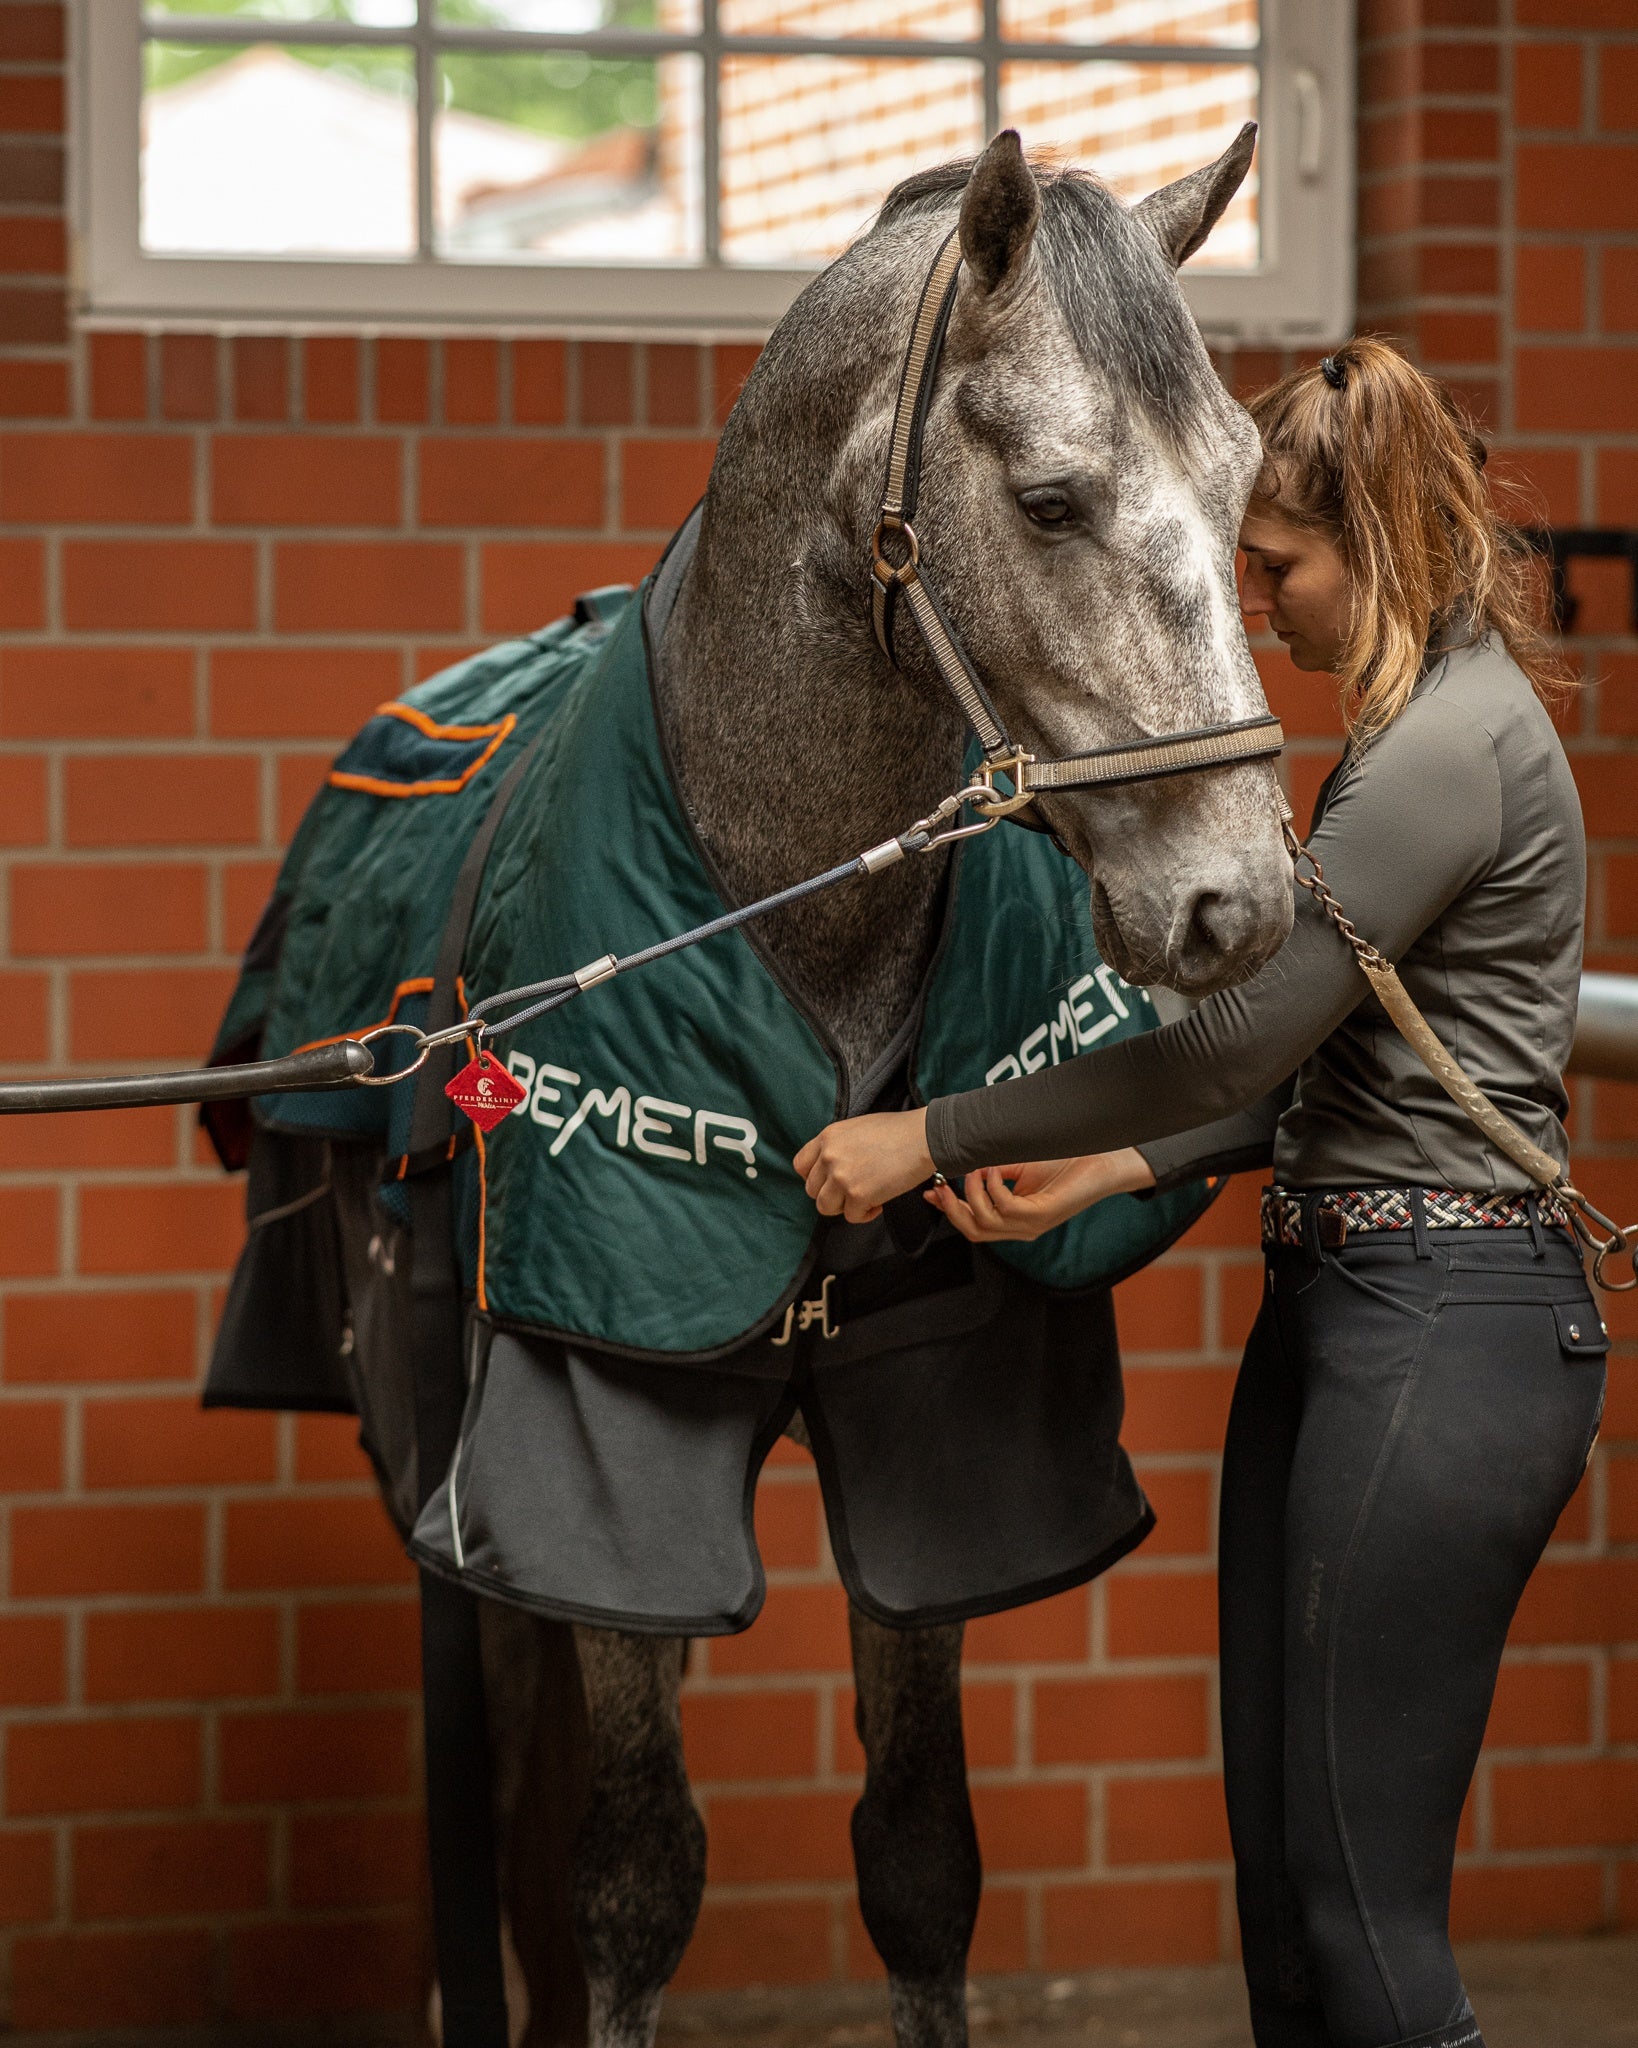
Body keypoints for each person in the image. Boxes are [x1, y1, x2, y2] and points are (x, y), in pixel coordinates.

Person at [793, 338, 1605, 2048]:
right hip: (1349, 1307)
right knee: (1290, 1903)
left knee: (1360, 1913)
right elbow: (1338, 1065)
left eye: (1278, 568)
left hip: (1437, 1330)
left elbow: (1232, 1043)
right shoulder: (1405, 737)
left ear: (1378, 546)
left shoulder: (1444, 753)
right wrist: (1112, 1161)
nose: (1261, 610)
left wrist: (924, 1137)